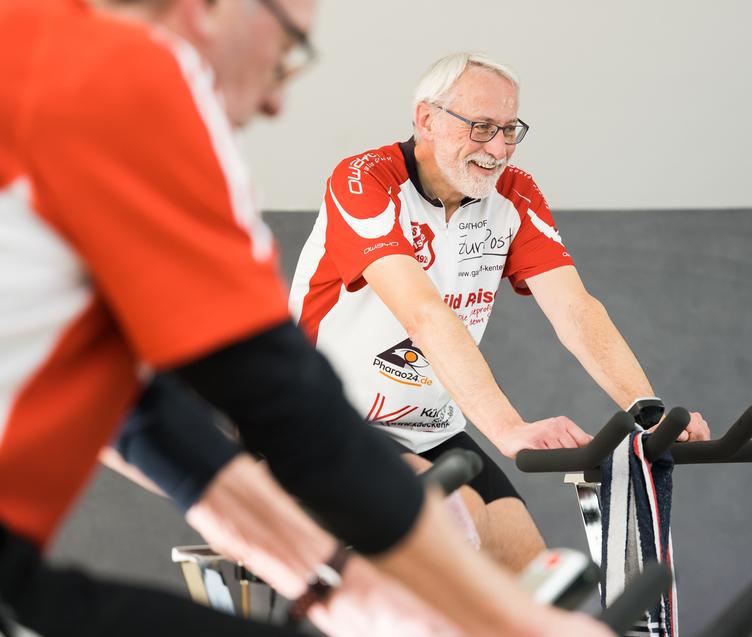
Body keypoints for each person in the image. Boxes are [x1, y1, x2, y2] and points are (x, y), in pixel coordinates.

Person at [0, 2, 612, 636]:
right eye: (288, 47)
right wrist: (497, 616)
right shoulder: (121, 76)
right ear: (207, 9)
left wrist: (327, 578)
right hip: (359, 424)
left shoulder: (37, 56)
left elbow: (139, 413)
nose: (276, 102)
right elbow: (278, 394)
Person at [289, 52, 711, 571]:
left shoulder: (514, 194)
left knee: (536, 580)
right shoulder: (364, 181)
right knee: (456, 516)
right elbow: (424, 314)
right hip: (324, 422)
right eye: (482, 127)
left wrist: (646, 411)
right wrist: (508, 429)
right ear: (426, 119)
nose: (498, 150)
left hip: (431, 429)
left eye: (510, 130)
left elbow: (575, 309)